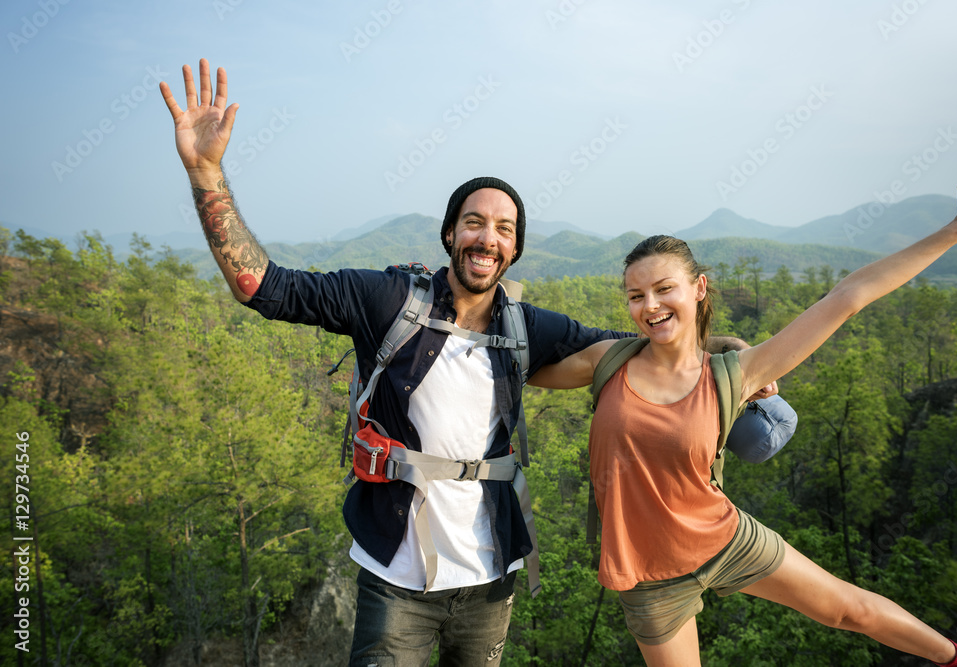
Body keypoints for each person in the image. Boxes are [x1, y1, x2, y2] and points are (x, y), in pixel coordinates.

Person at [159, 58, 791, 665]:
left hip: (492, 574)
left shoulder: (523, 326)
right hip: (395, 571)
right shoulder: (385, 299)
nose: (488, 237)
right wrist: (206, 172)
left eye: (504, 229)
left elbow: (627, 347)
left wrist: (723, 352)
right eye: (474, 223)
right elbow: (264, 287)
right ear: (449, 234)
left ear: (513, 249)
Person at [529, 168, 957, 666]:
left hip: (723, 537)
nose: (650, 305)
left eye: (665, 289)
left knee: (847, 610)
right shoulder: (606, 360)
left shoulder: (736, 373)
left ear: (699, 289)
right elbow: (519, 370)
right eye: (635, 295)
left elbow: (848, 297)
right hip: (648, 575)